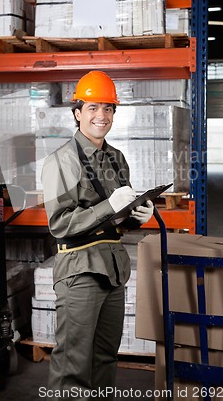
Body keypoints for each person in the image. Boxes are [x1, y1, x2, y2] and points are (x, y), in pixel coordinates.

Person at [41, 70, 154, 400]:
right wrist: (108, 205)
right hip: (80, 271)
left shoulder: (117, 159)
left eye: (108, 108)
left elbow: (116, 221)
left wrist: (136, 217)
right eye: (92, 108)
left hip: (113, 270)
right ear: (77, 113)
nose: (101, 116)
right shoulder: (61, 161)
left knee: (106, 358)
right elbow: (60, 224)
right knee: (72, 364)